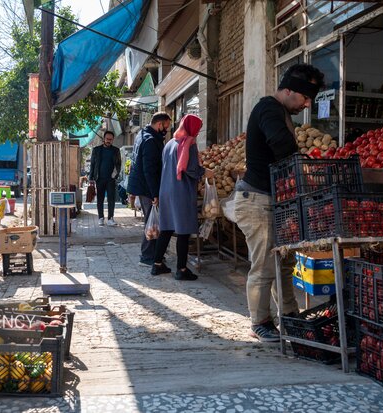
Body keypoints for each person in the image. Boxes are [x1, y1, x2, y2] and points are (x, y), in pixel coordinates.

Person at [228, 63, 325, 342]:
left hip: (272, 200)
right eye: (305, 98)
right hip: (257, 200)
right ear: (289, 90)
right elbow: (281, 145)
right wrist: (303, 164)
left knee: (283, 263)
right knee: (265, 265)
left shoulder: (279, 111)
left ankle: (289, 314)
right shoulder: (269, 108)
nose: (306, 105)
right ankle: (260, 321)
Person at [151, 114, 214, 281]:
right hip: (181, 192)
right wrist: (205, 172)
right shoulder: (189, 144)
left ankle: (157, 265)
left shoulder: (170, 143)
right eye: (198, 128)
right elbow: (191, 168)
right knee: (184, 231)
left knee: (167, 228)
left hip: (166, 190)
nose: (198, 132)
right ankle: (182, 269)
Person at [127, 112, 172, 266]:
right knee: (151, 222)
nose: (167, 130)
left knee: (151, 221)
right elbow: (149, 170)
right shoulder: (151, 140)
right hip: (146, 187)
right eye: (166, 126)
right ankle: (147, 256)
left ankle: (152, 254)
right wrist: (154, 194)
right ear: (159, 124)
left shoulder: (142, 134)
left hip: (141, 185)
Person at [89, 130, 122, 226]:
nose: (109, 141)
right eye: (107, 139)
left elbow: (118, 164)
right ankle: (100, 218)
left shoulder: (116, 150)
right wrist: (91, 178)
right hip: (99, 178)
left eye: (111, 139)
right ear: (103, 139)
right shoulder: (96, 150)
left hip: (111, 179)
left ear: (113, 140)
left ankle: (110, 218)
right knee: (100, 199)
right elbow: (92, 164)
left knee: (111, 199)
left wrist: (114, 175)